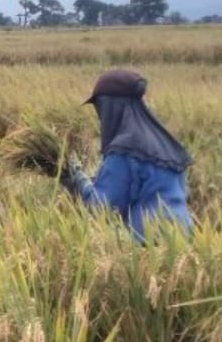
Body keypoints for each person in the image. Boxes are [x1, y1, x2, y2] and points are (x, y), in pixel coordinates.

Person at [62, 68, 194, 239]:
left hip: (149, 248)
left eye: (101, 108)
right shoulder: (165, 143)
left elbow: (104, 208)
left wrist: (77, 179)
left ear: (111, 107)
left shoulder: (125, 150)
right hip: (185, 241)